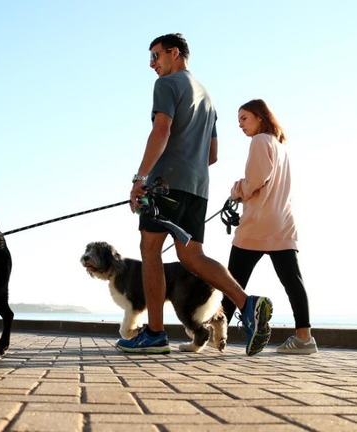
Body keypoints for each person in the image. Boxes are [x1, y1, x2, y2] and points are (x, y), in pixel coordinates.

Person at [117, 33, 273, 356]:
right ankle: (246, 304)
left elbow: (161, 130)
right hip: (198, 188)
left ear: (174, 53)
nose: (152, 65)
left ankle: (156, 334)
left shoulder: (167, 85)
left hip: (165, 185)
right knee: (191, 256)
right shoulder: (207, 97)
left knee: (149, 247)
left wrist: (140, 178)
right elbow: (212, 153)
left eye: (155, 56)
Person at [223, 99, 318, 355]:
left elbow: (255, 180)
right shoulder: (280, 146)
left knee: (232, 281)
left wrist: (236, 190)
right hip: (283, 222)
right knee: (293, 281)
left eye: (244, 118)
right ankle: (304, 339)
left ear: (260, 117)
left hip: (257, 224)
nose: (240, 125)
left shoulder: (259, 141)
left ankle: (214, 336)